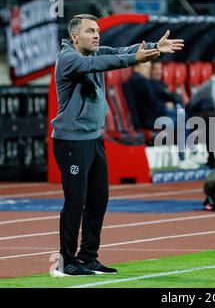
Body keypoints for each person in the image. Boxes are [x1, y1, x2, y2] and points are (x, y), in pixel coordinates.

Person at [51, 14, 184, 276]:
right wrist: (135, 59)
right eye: (91, 31)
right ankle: (66, 261)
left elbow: (119, 50)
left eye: (98, 30)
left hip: (94, 138)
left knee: (99, 200)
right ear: (75, 36)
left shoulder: (94, 53)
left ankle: (88, 257)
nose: (97, 35)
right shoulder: (68, 59)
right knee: (75, 201)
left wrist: (155, 47)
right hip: (71, 141)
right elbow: (109, 61)